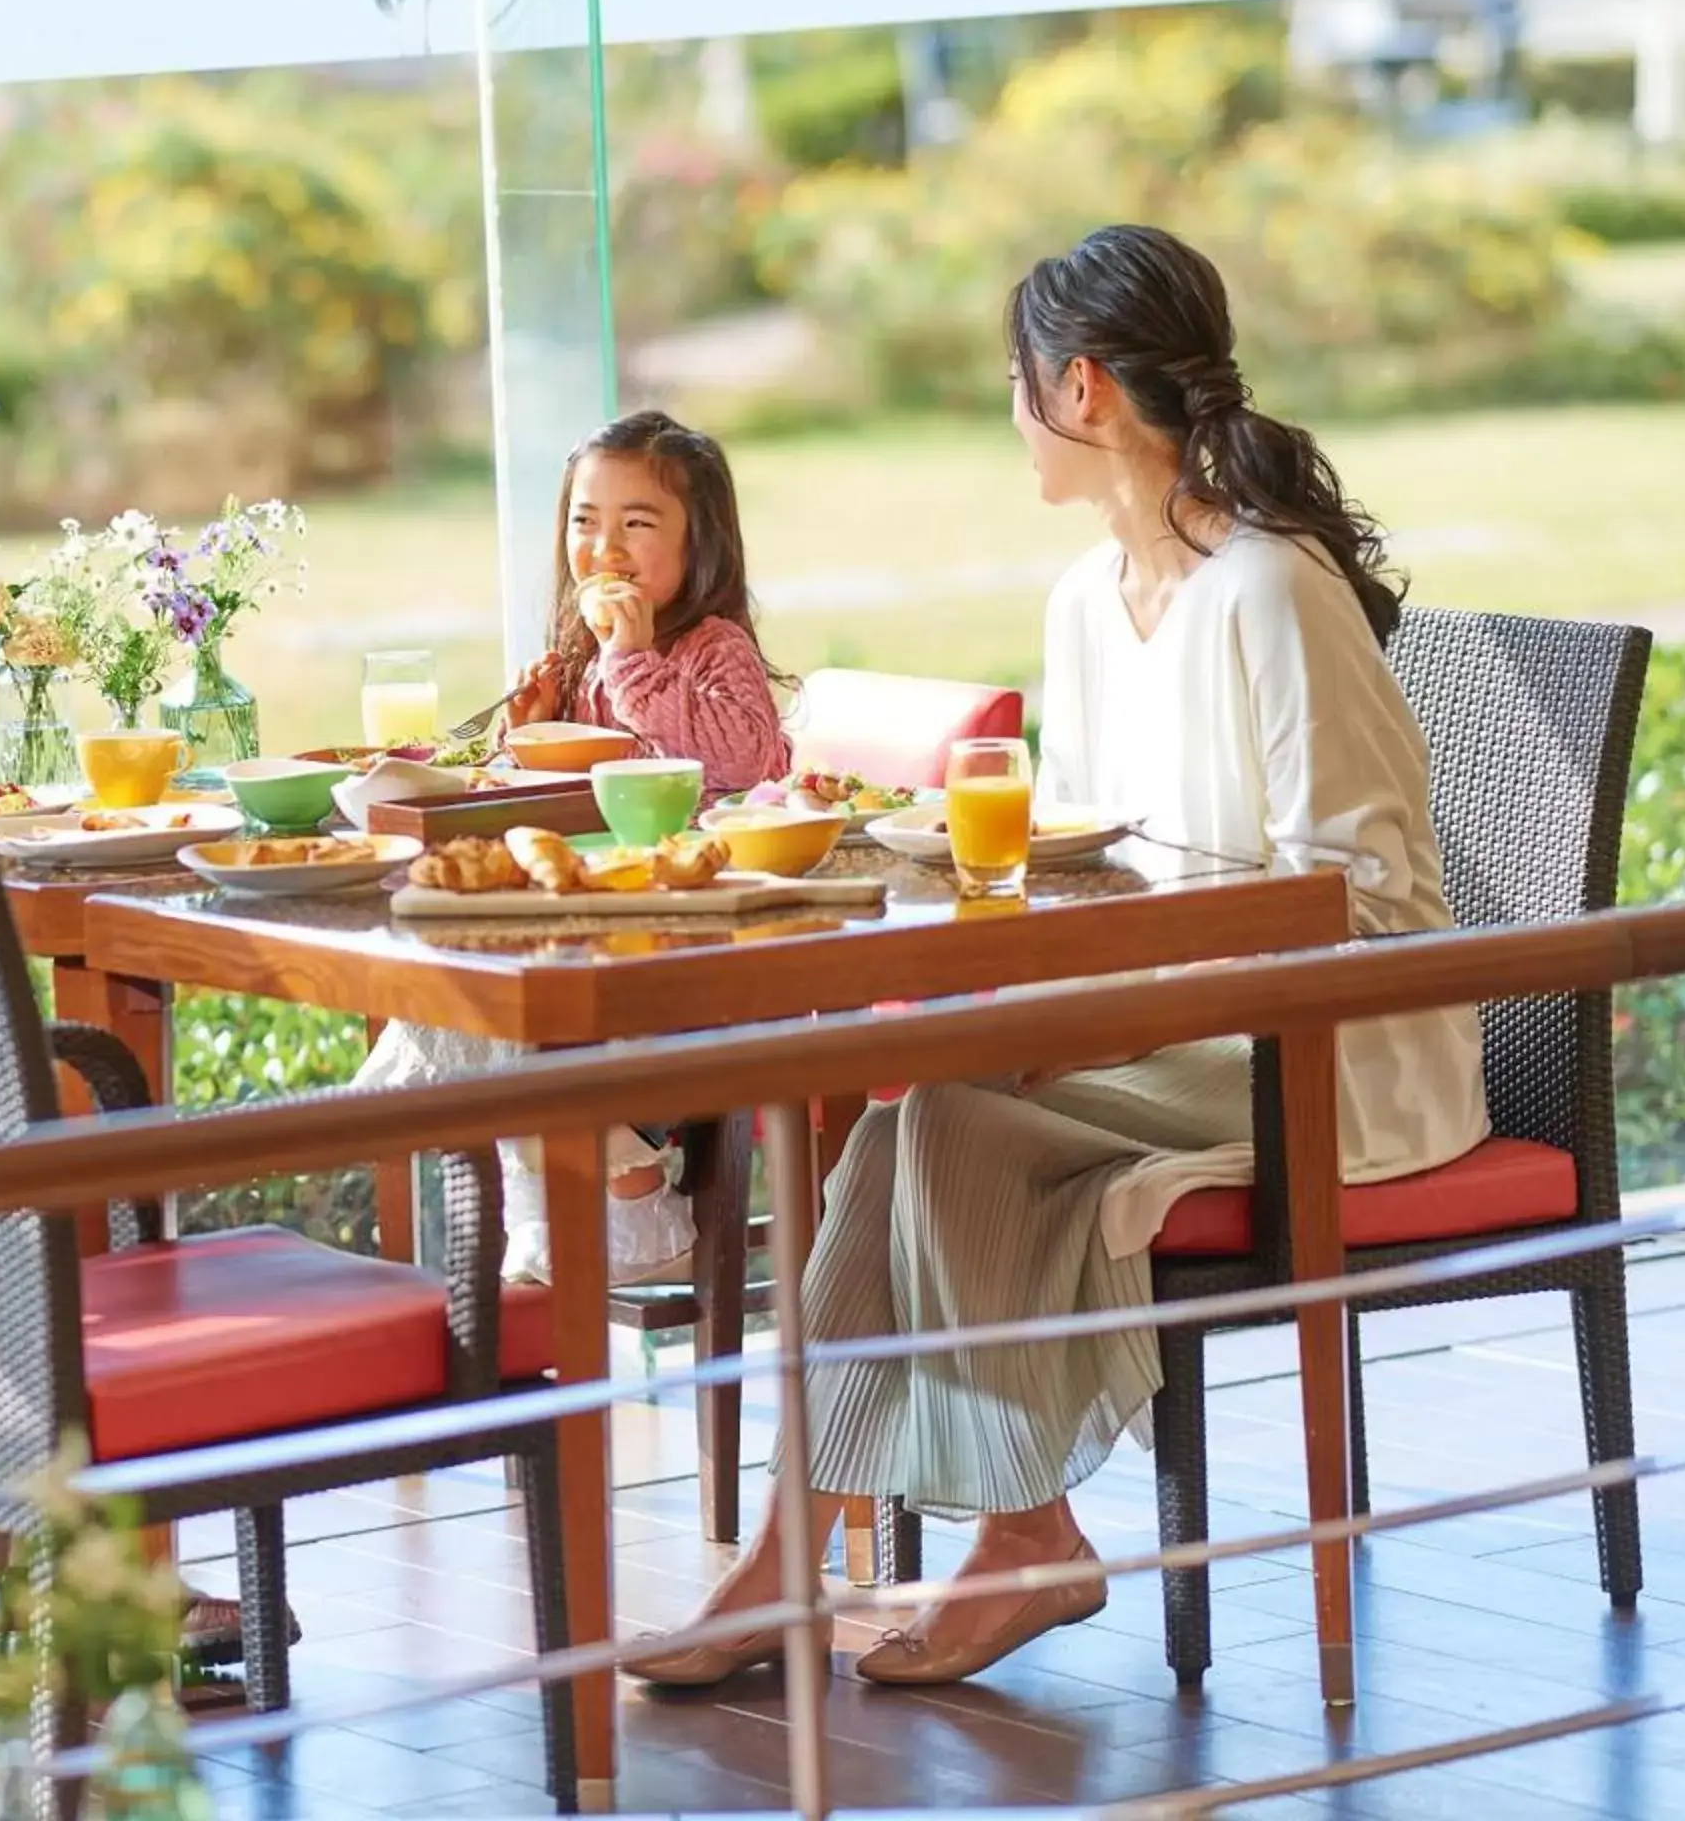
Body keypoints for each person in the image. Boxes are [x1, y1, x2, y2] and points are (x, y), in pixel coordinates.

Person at [625, 224, 1491, 1690]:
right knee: (904, 1124)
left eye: (1016, 383)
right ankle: (807, 1562)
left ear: (1081, 390)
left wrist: (1099, 1021)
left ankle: (1017, 1542)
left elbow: (1359, 893)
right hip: (1172, 1033)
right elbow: (1085, 857)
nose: (1009, 410)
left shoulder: (1275, 590)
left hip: (1340, 1055)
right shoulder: (1087, 599)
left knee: (949, 1118)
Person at [354, 409, 793, 1285]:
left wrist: (633, 664)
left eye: (638, 524)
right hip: (591, 931)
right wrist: (531, 730)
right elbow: (575, 803)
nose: (607, 548)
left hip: (683, 950)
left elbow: (745, 757)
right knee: (475, 963)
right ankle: (572, 1201)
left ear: (698, 543)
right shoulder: (580, 660)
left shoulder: (714, 649)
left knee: (507, 996)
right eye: (585, 522)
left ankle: (590, 1180)